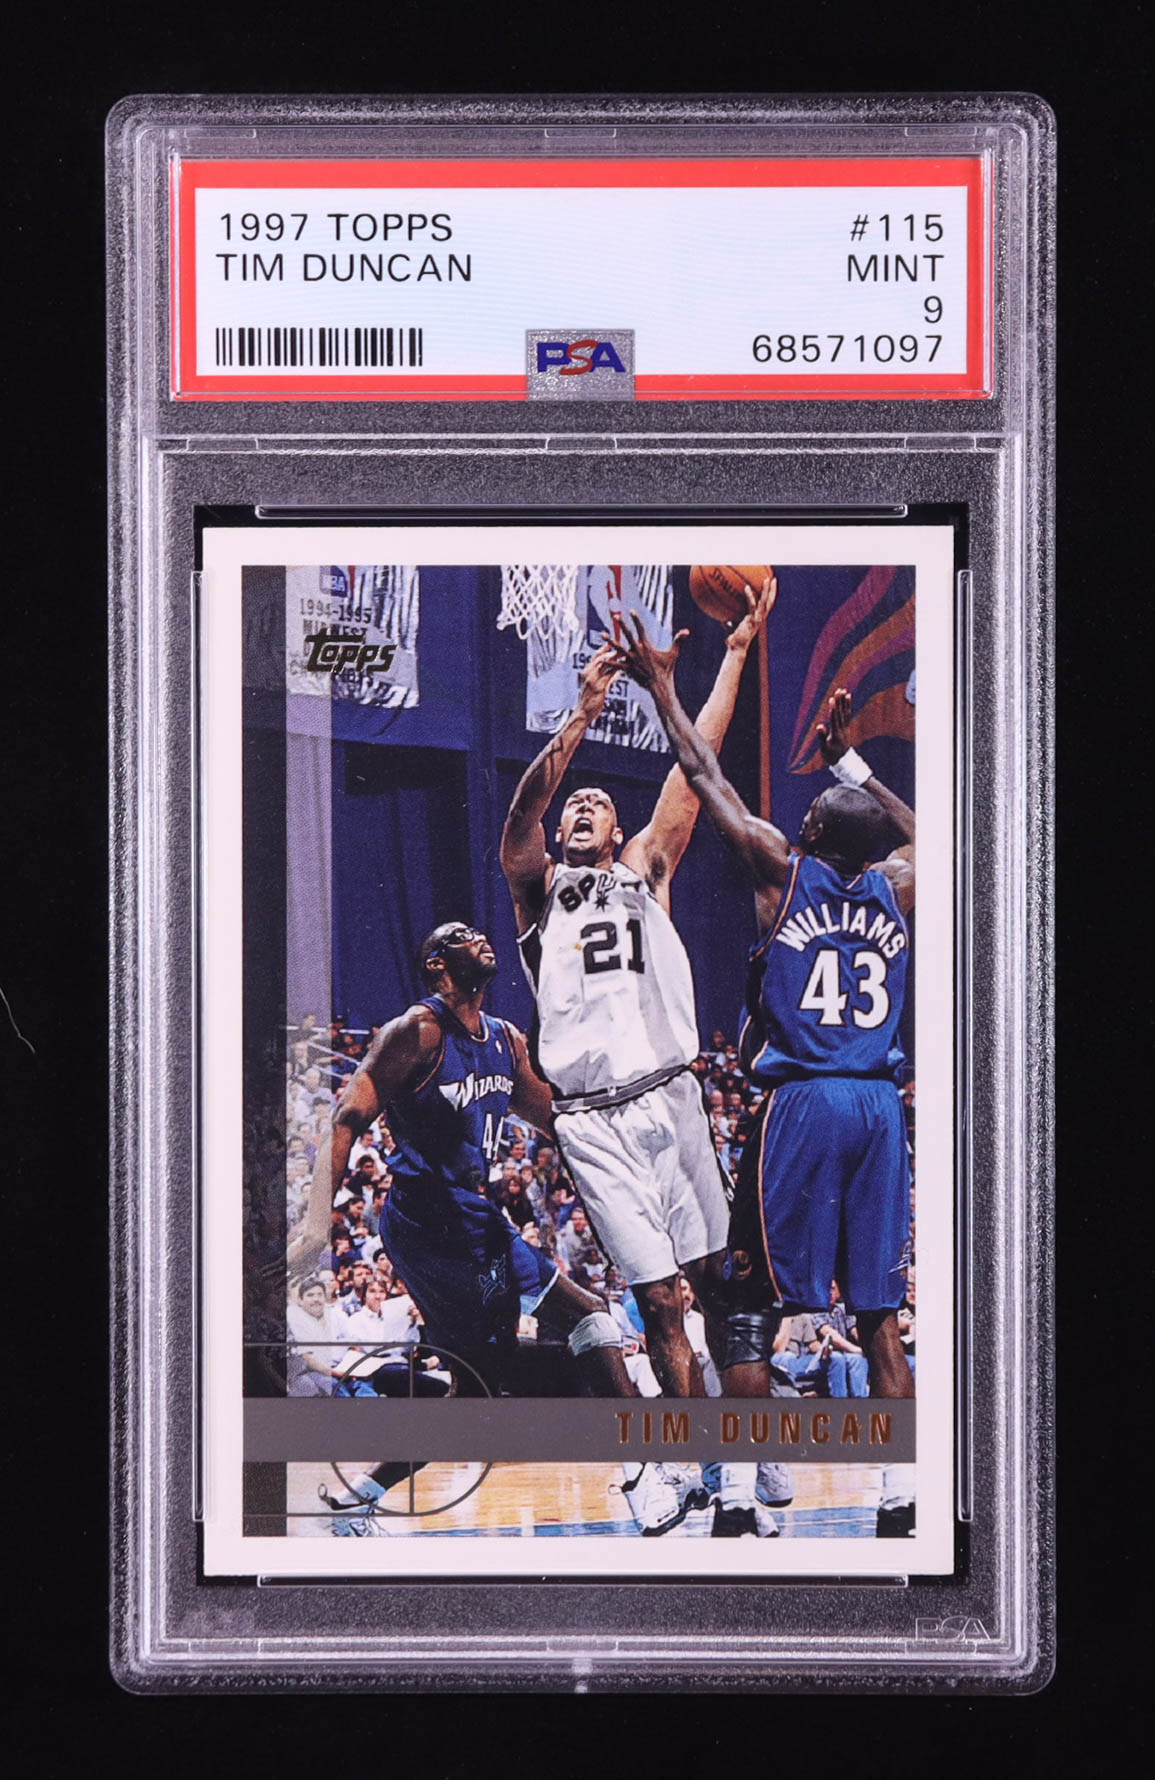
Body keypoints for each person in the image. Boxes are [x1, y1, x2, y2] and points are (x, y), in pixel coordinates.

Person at [621, 623, 917, 1538]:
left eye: (815, 806)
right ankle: (898, 1496)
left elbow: (703, 773)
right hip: (880, 1109)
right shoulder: (899, 886)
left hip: (803, 1103)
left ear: (815, 833)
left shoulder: (781, 872)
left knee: (745, 1304)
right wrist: (853, 765)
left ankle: (742, 1498)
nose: (803, 812)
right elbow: (929, 838)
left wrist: (662, 687)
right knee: (877, 1315)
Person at [499, 580, 773, 1407]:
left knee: (715, 1283)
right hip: (592, 1122)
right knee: (656, 1303)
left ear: (619, 833)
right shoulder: (538, 891)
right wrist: (582, 712)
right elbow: (521, 816)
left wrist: (734, 654)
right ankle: (684, 1454)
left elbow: (696, 768)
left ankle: (743, 1455)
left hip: (669, 1098)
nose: (582, 806)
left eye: (599, 804)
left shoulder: (645, 871)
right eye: (574, 805)